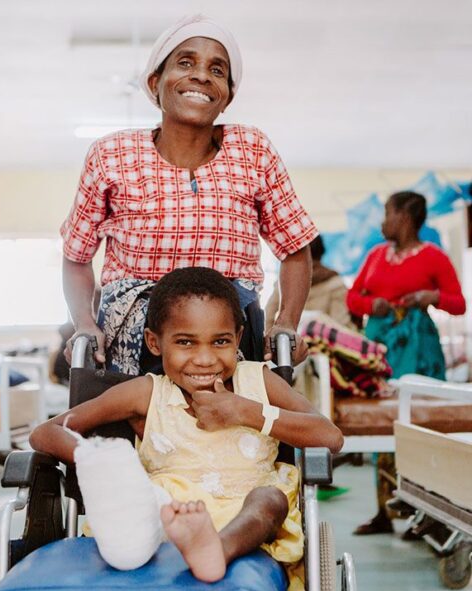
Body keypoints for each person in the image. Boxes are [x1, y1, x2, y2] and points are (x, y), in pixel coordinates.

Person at [30, 267, 343, 591]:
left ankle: (215, 550)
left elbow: (330, 436)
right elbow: (46, 432)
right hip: (166, 515)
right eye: (185, 342)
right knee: (142, 505)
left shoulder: (259, 382)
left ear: (238, 338)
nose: (205, 359)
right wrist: (101, 463)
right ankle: (174, 542)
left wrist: (245, 411)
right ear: (154, 342)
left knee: (271, 498)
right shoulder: (147, 393)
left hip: (247, 521)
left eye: (220, 341)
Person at [60, 15, 317, 375]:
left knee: (231, 429)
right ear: (155, 82)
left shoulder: (253, 149)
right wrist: (84, 323)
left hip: (229, 338)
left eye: (217, 69)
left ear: (227, 95)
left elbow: (295, 248)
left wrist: (286, 321)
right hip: (136, 337)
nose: (201, 75)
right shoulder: (111, 155)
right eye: (185, 63)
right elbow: (76, 255)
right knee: (136, 428)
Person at [347, 190, 466, 534]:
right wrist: (373, 307)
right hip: (381, 350)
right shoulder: (375, 256)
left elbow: (458, 304)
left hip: (420, 351)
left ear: (406, 216)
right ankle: (385, 511)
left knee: (423, 426)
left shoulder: (433, 257)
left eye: (387, 213)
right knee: (384, 424)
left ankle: (431, 516)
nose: (383, 222)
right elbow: (354, 298)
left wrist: (432, 297)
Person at [265, 235, 357, 332]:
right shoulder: (336, 284)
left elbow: (269, 318)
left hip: (288, 343)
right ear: (321, 253)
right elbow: (342, 325)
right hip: (320, 345)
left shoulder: (284, 283)